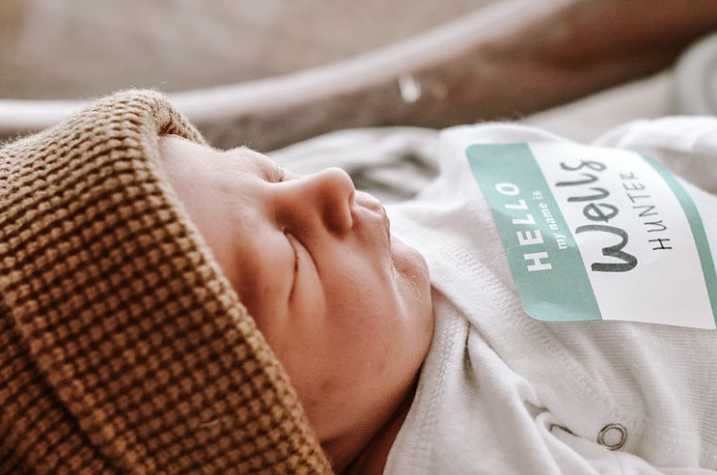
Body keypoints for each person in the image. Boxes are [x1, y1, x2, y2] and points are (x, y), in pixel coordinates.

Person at [3, 89, 717, 474]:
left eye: (267, 174)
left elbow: (609, 162)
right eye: (288, 257)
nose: (329, 186)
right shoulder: (461, 447)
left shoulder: (383, 271)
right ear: (273, 435)